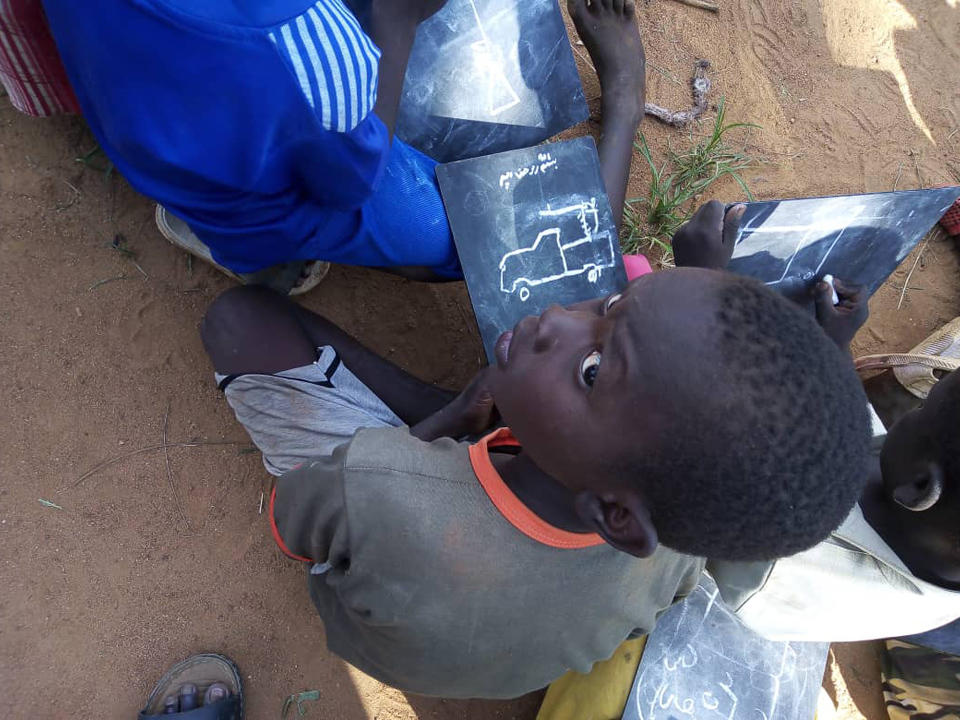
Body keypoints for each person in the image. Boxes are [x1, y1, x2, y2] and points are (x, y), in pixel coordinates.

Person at [199, 196, 870, 704]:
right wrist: (714, 286)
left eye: (593, 371)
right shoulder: (681, 525)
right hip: (495, 653)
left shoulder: (376, 485)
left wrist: (444, 423)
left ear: (616, 513)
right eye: (611, 304)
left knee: (239, 319)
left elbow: (293, 525)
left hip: (370, 622)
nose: (559, 319)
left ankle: (456, 414)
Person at [670, 200, 960, 641]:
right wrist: (835, 348)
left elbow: (689, 430)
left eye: (919, 409)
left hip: (711, 531)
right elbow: (852, 435)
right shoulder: (925, 515)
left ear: (921, 487)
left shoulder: (782, 553)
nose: (911, 410)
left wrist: (697, 289)